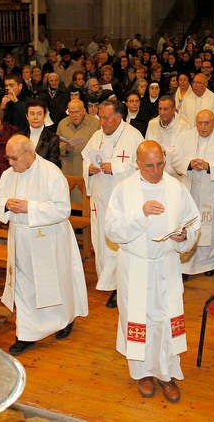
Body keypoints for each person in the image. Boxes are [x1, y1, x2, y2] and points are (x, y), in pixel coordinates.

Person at [104, 141, 200, 402]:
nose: (157, 171)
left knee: (166, 319)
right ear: (137, 163)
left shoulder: (175, 188)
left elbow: (193, 221)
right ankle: (143, 373)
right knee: (139, 321)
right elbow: (112, 230)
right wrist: (140, 213)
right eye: (150, 165)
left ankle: (167, 374)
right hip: (135, 266)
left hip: (166, 265)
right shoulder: (124, 190)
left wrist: (184, 236)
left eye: (160, 164)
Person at [0, 135, 89, 355]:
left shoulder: (51, 173)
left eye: (14, 158)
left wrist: (29, 207)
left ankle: (65, 319)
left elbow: (63, 209)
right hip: (21, 240)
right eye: (8, 158)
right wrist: (6, 204)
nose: (10, 163)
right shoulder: (9, 175)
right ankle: (26, 333)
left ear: (28, 153)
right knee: (24, 286)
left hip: (49, 239)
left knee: (54, 283)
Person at [82, 100, 144, 307]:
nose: (102, 122)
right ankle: (108, 281)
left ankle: (122, 285)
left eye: (106, 118)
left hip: (122, 202)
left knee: (120, 243)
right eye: (100, 117)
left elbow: (142, 166)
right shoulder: (97, 136)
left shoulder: (133, 136)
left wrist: (115, 167)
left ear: (119, 118)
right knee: (102, 240)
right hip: (101, 198)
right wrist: (89, 169)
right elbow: (85, 158)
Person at [171, 110, 214, 276]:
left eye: (207, 123)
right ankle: (186, 265)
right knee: (188, 225)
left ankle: (209, 264)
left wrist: (209, 166)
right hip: (190, 190)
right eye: (200, 123)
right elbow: (175, 158)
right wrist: (189, 163)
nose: (203, 127)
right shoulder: (185, 137)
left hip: (212, 191)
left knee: (211, 229)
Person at [57, 99, 100, 178]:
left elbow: (101, 146)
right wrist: (65, 148)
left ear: (83, 111)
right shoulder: (62, 124)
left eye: (77, 112)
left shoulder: (95, 124)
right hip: (67, 168)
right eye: (71, 112)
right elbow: (55, 146)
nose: (74, 115)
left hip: (87, 168)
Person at [20, 99, 60, 166]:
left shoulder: (53, 139)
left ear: (44, 116)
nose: (35, 117)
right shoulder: (20, 136)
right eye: (32, 114)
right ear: (27, 116)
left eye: (39, 114)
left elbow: (53, 164)